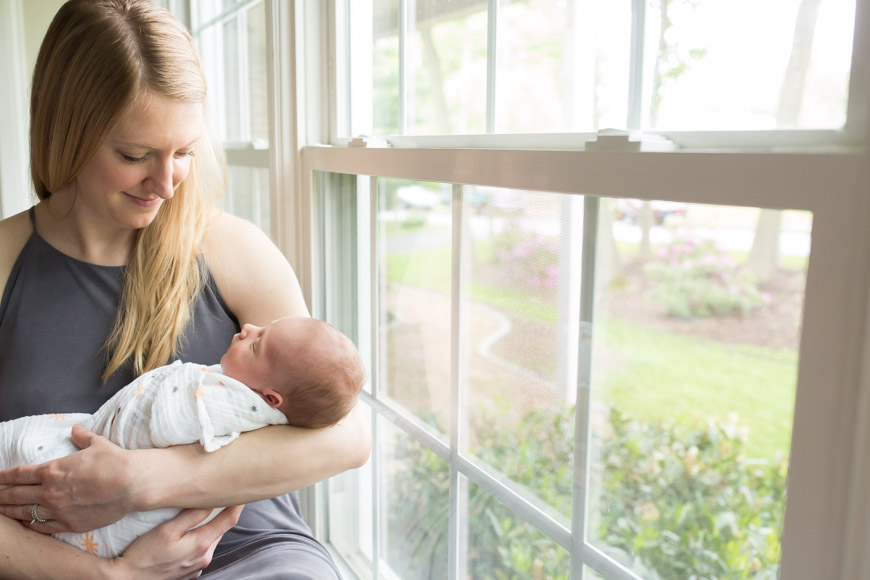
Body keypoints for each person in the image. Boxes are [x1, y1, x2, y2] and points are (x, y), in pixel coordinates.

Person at [0, 1, 370, 578]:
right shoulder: (4, 263)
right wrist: (113, 577)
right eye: (135, 155)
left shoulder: (232, 250)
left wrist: (141, 483)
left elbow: (346, 439)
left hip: (250, 555)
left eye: (185, 153)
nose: (167, 182)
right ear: (66, 131)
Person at [0, 316, 366, 559]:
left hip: (181, 531)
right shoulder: (260, 378)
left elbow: (163, 422)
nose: (247, 327)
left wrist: (136, 480)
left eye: (257, 344)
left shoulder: (228, 404)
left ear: (270, 400)